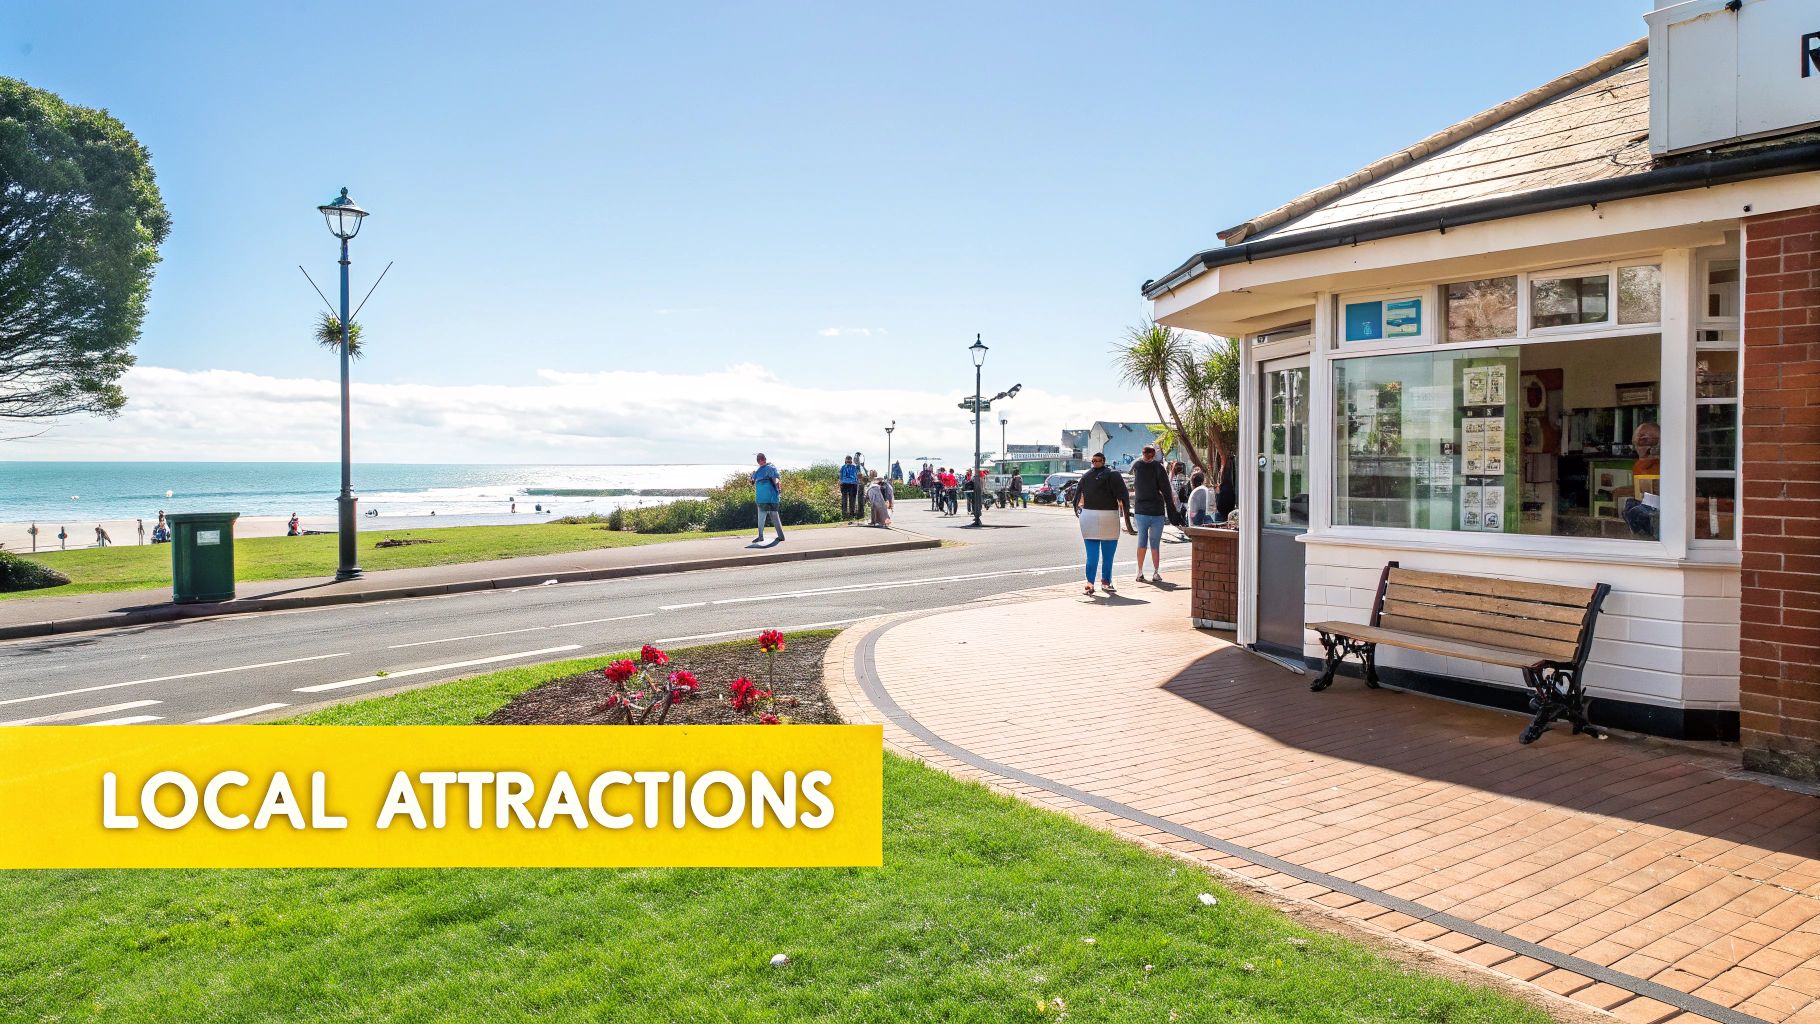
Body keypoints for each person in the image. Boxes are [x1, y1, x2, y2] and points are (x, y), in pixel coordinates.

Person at [1072, 452, 1132, 596]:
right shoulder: (1114, 475)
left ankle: (1090, 583)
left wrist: (1078, 511)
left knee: (1092, 555)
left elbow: (1077, 498)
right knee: (1107, 555)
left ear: (1103, 461)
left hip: (1089, 517)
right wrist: (1127, 520)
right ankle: (1104, 582)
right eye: (1093, 460)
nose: (1095, 462)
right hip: (1109, 517)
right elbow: (1123, 497)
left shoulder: (1086, 476)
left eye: (1097, 460)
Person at [1129, 444, 1176, 583]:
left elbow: (1135, 484)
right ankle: (1155, 572)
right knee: (1154, 544)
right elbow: (1166, 490)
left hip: (1141, 510)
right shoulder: (1158, 467)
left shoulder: (1137, 466)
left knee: (1142, 542)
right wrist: (1171, 508)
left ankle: (1140, 572)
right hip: (1156, 511)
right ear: (1153, 455)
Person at [1621, 421, 1662, 540]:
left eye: (1645, 440)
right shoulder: (1640, 465)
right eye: (1637, 442)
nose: (1640, 446)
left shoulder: (1664, 462)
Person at [751, 452, 785, 544]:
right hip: (769, 498)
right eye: (759, 459)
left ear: (764, 459)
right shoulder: (761, 470)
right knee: (773, 516)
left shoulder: (767, 469)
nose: (761, 461)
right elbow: (753, 481)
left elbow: (775, 479)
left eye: (762, 459)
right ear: (758, 461)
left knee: (763, 517)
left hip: (766, 498)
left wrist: (778, 488)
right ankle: (779, 536)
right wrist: (778, 489)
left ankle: (761, 536)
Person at [1214, 452, 1238, 523]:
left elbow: (1219, 504)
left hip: (1223, 512)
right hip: (1228, 510)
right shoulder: (1230, 487)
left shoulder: (1223, 487)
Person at [839, 456, 861, 521]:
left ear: (851, 461)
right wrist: (840, 482)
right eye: (847, 459)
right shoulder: (843, 467)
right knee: (844, 500)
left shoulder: (855, 467)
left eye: (850, 459)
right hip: (844, 484)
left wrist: (858, 481)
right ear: (845, 460)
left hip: (853, 484)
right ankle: (844, 515)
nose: (848, 461)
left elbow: (859, 474)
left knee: (852, 500)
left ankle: (852, 514)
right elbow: (840, 475)